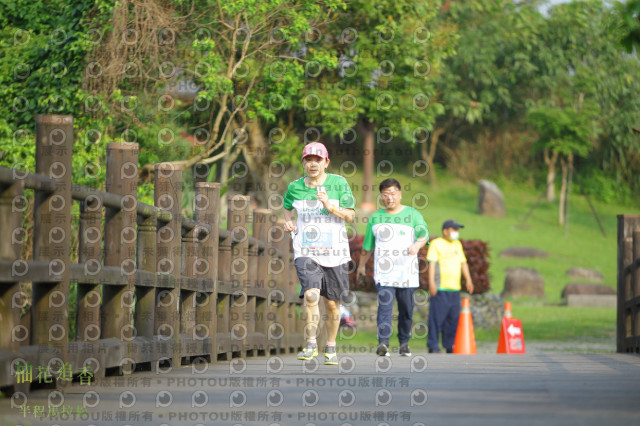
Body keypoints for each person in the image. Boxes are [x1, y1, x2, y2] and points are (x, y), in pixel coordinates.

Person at [283, 142, 355, 365]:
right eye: (308, 159)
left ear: (326, 162)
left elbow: (351, 216)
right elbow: (287, 207)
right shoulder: (294, 187)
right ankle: (311, 343)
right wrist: (289, 222)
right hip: (306, 250)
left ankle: (330, 346)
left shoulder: (339, 183)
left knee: (332, 304)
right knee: (312, 294)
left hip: (335, 253)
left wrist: (329, 205)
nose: (312, 164)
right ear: (303, 163)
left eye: (317, 160)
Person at [357, 178, 429, 357]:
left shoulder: (413, 215)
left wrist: (417, 246)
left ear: (400, 195)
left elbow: (424, 235)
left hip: (407, 273)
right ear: (381, 196)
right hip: (384, 273)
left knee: (406, 309)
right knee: (385, 308)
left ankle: (404, 342)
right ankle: (383, 343)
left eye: (393, 194)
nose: (389, 198)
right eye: (385, 194)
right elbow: (367, 246)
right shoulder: (375, 217)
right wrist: (360, 266)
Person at [426, 219, 474, 353]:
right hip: (441, 288)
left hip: (455, 288)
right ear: (445, 231)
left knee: (452, 320)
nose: (456, 233)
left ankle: (450, 345)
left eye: (457, 230)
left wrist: (468, 280)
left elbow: (463, 263)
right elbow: (432, 264)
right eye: (454, 230)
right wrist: (431, 283)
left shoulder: (457, 244)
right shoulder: (436, 244)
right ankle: (433, 346)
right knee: (436, 319)